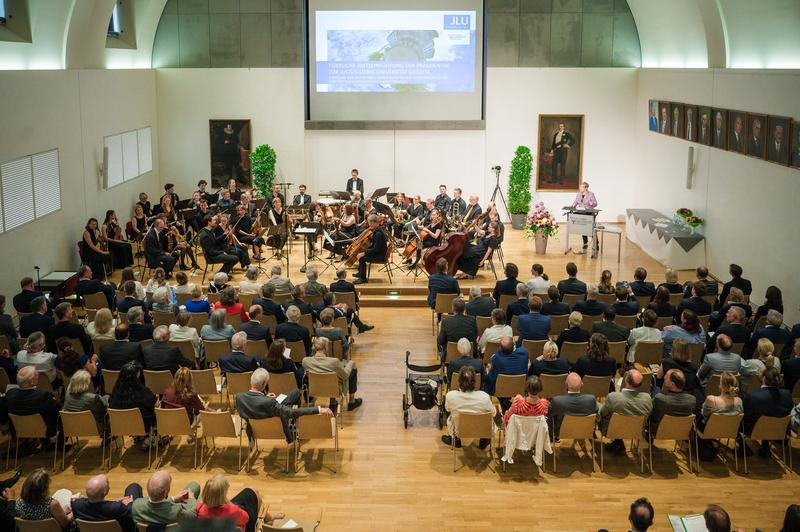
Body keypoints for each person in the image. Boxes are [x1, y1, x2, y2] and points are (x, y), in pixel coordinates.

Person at [441, 366, 496, 450]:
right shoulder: (484, 396)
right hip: (482, 430)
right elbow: (493, 413)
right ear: (475, 382)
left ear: (458, 381)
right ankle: (484, 440)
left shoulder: (450, 396)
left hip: (459, 430)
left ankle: (456, 440)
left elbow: (447, 409)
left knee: (451, 413)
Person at [742, 367, 793, 457]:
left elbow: (745, 416)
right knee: (769, 416)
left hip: (755, 430)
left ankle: (742, 447)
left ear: (764, 378)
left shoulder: (752, 396)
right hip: (779, 430)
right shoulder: (787, 394)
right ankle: (765, 447)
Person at [0, 366, 60, 442]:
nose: (38, 376)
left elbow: (2, 413)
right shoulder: (43, 396)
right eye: (36, 375)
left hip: (17, 430)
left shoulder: (9, 394)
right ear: (31, 382)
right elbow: (56, 411)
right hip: (43, 431)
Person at [599, 370, 653, 453]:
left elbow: (603, 413)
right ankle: (617, 443)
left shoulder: (613, 397)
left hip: (611, 430)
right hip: (636, 431)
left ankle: (617, 442)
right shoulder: (647, 399)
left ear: (626, 380)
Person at [302, 337, 363, 411]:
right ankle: (352, 401)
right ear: (325, 348)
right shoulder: (334, 362)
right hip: (334, 390)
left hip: (315, 389)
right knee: (352, 370)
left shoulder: (305, 361)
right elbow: (345, 375)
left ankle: (333, 403)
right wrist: (350, 363)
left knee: (329, 376)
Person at [196, 475, 269, 532]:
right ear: (222, 496)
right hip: (244, 527)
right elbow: (246, 519)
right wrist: (230, 504)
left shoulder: (201, 509)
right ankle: (268, 520)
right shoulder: (232, 510)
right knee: (252, 494)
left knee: (250, 491)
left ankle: (269, 519)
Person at [109, 362, 157, 447]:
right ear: (136, 376)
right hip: (143, 426)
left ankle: (139, 436)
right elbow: (153, 403)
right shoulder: (142, 392)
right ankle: (149, 438)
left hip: (120, 427)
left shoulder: (114, 394)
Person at [71, 474, 142, 532]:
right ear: (104, 493)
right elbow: (130, 522)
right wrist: (130, 504)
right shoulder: (118, 508)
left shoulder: (76, 505)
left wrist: (114, 502)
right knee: (134, 486)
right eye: (108, 485)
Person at [131, 470, 200, 526]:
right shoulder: (176, 511)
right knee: (201, 497)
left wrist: (173, 499)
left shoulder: (136, 506)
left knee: (194, 486)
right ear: (165, 493)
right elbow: (193, 516)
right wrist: (191, 499)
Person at [549, 372, 597, 437]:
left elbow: (550, 417)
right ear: (582, 384)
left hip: (561, 432)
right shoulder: (591, 400)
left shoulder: (557, 401)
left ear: (566, 384)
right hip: (585, 431)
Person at [649, 369, 695, 434]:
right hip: (681, 432)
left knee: (656, 388)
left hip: (659, 431)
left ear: (672, 384)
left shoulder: (661, 399)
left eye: (667, 376)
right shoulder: (692, 400)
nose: (664, 377)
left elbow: (651, 412)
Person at [485, 336, 528, 405]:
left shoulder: (497, 358)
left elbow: (491, 378)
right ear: (514, 344)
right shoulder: (524, 353)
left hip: (501, 391)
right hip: (519, 388)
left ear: (501, 349)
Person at [353, 215, 388, 284]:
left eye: (372, 223)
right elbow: (373, 244)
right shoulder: (376, 231)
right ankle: (360, 273)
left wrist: (364, 253)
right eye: (369, 222)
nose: (370, 224)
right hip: (378, 253)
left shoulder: (378, 234)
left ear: (377, 223)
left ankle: (363, 278)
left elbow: (376, 249)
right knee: (360, 254)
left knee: (362, 258)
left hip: (380, 256)